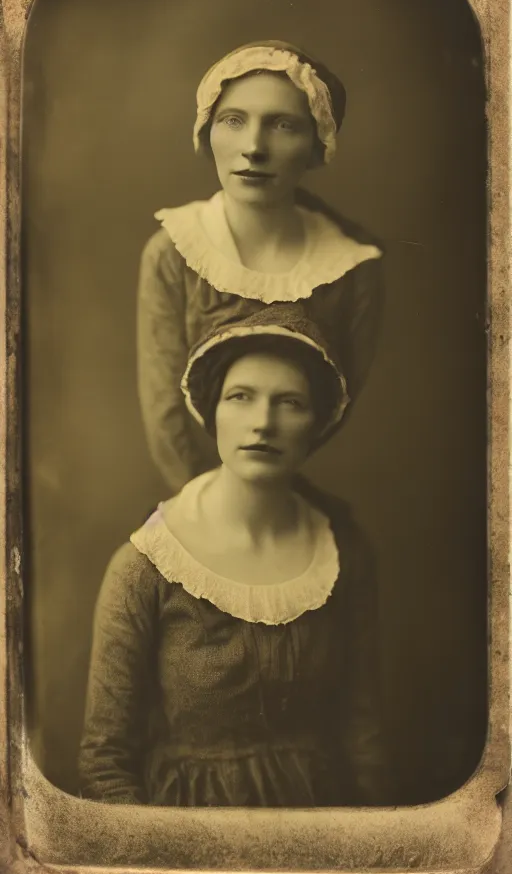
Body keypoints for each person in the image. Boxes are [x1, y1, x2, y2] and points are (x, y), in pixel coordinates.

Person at [79, 310, 391, 807]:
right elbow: (104, 761)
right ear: (213, 412)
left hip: (323, 829)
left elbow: (364, 737)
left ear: (317, 423)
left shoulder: (342, 555)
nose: (263, 423)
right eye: (240, 397)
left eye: (289, 403)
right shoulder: (147, 565)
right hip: (186, 839)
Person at [138, 40, 384, 492]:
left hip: (294, 494)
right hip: (194, 498)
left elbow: (332, 410)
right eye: (233, 121)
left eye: (283, 125)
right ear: (207, 131)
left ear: (316, 144)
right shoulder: (172, 253)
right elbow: (164, 411)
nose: (253, 147)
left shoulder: (352, 269)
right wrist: (207, 511)